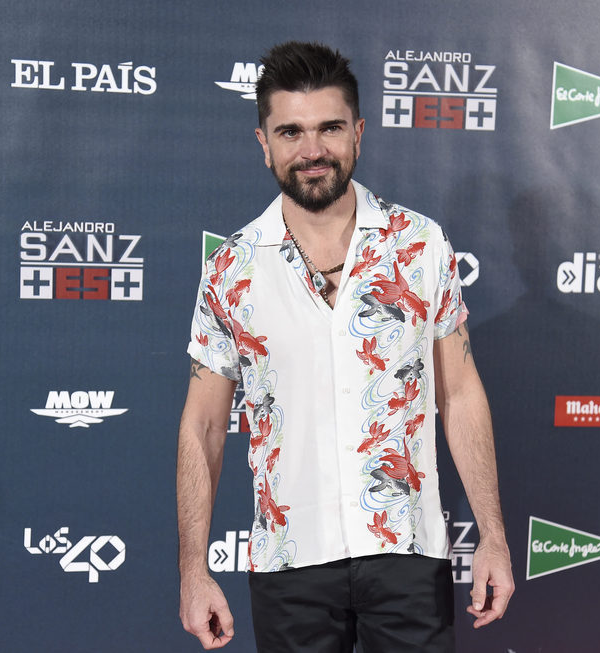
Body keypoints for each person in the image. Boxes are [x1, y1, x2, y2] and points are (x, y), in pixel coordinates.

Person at [178, 41, 513, 652]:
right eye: (291, 132)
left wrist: (492, 533)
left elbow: (459, 393)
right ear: (264, 144)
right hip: (289, 562)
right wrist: (193, 571)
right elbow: (202, 425)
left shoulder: (419, 244)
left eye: (329, 128)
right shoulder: (231, 268)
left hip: (407, 553)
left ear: (358, 133)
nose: (312, 150)